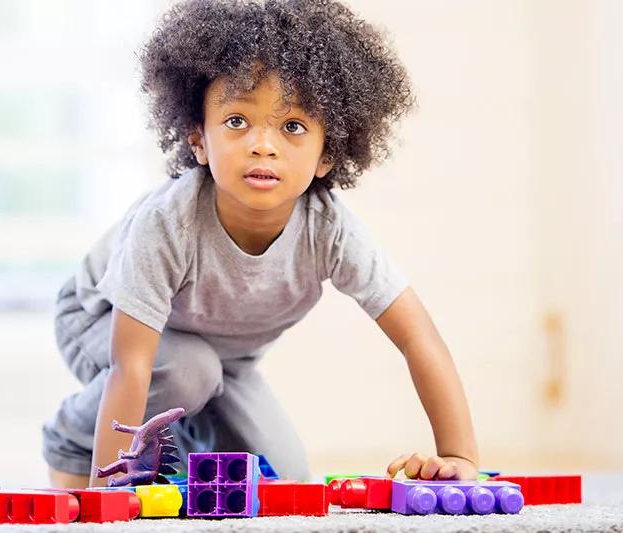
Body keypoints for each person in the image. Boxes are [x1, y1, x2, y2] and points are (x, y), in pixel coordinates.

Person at [43, 0, 479, 488]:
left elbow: (418, 336)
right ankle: (73, 436)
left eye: (292, 126)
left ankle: (178, 440)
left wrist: (459, 454)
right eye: (236, 122)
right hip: (100, 321)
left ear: (327, 154)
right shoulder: (169, 223)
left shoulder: (329, 228)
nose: (262, 144)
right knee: (187, 370)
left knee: (285, 482)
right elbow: (133, 363)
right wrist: (108, 488)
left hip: (225, 360)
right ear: (198, 141)